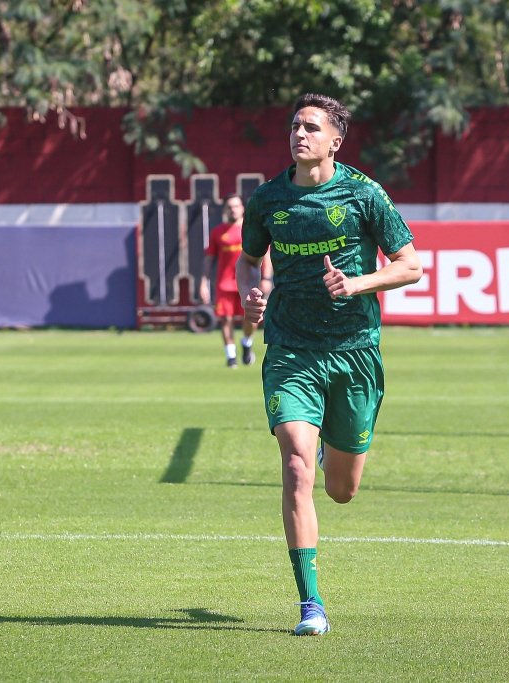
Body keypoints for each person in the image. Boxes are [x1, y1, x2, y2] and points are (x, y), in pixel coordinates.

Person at [235, 93, 422, 636]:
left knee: (341, 490)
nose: (300, 134)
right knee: (296, 462)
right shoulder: (269, 198)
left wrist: (357, 283)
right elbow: (249, 262)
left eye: (312, 127)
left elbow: (410, 264)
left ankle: (331, 454)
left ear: (335, 140)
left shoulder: (365, 194)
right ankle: (310, 604)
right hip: (291, 350)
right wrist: (252, 294)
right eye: (295, 125)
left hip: (355, 354)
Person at [199, 194, 272, 368]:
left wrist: (267, 278)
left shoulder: (251, 230)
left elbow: (266, 254)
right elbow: (209, 259)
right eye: (229, 206)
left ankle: (246, 342)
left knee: (251, 318)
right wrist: (203, 282)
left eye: (236, 206)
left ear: (242, 208)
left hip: (248, 283)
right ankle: (231, 356)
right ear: (225, 210)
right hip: (224, 284)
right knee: (225, 319)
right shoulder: (218, 232)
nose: (233, 209)